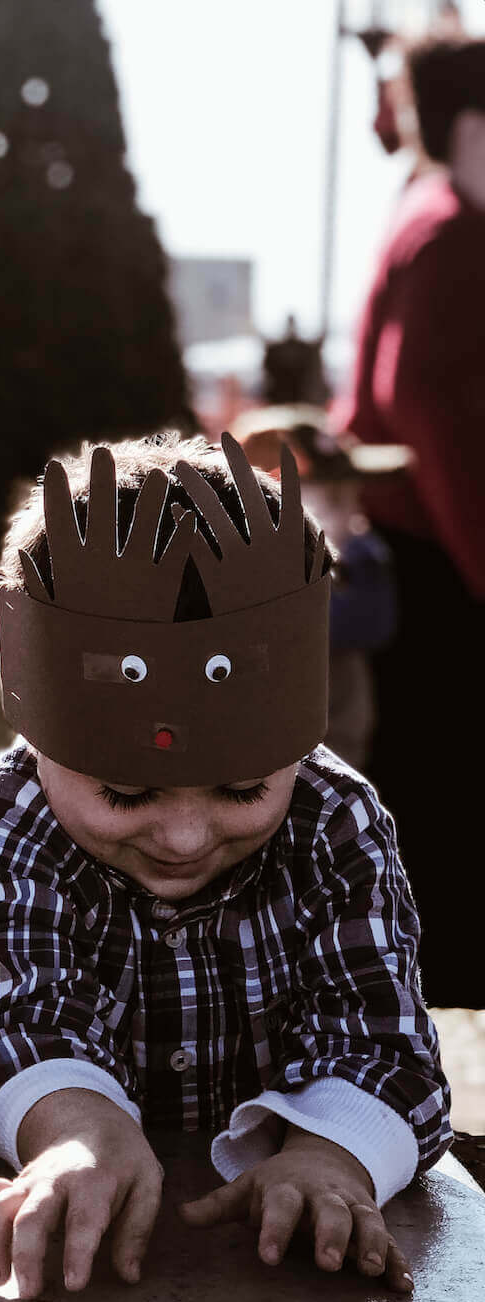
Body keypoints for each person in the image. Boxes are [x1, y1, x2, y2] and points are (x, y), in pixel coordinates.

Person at [0, 433, 451, 1302]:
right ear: (38, 735)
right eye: (127, 794)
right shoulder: (10, 818)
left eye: (243, 788)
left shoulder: (338, 819)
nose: (183, 837)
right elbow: (27, 1005)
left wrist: (331, 1158)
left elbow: (382, 1039)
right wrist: (79, 1132)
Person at [330, 35, 485, 1005]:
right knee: (441, 779)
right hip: (437, 560)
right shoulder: (453, 228)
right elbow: (426, 401)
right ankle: (427, 979)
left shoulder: (430, 215)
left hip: (427, 548)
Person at [230, 404, 404, 771]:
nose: (356, 517)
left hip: (340, 766)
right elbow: (366, 620)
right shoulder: (245, 581)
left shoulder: (348, 561)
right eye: (335, 499)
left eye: (353, 495)